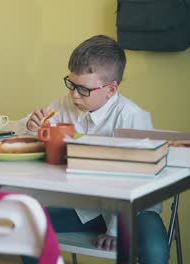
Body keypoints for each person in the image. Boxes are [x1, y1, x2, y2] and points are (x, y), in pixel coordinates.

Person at [20, 35, 168, 264]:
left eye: (83, 89)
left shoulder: (132, 117)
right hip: (87, 207)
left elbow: (139, 183)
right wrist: (31, 126)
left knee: (155, 249)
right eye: (71, 84)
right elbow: (29, 135)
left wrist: (116, 229)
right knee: (29, 228)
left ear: (110, 90)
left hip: (134, 211)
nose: (74, 94)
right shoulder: (62, 105)